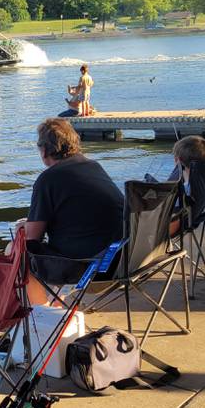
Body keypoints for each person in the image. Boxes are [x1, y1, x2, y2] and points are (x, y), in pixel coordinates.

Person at [17, 118, 124, 304]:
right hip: (120, 259)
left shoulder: (47, 180)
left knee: (20, 249)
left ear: (43, 151)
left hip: (87, 267)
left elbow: (32, 238)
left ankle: (42, 315)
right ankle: (56, 303)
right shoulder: (94, 166)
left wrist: (23, 226)